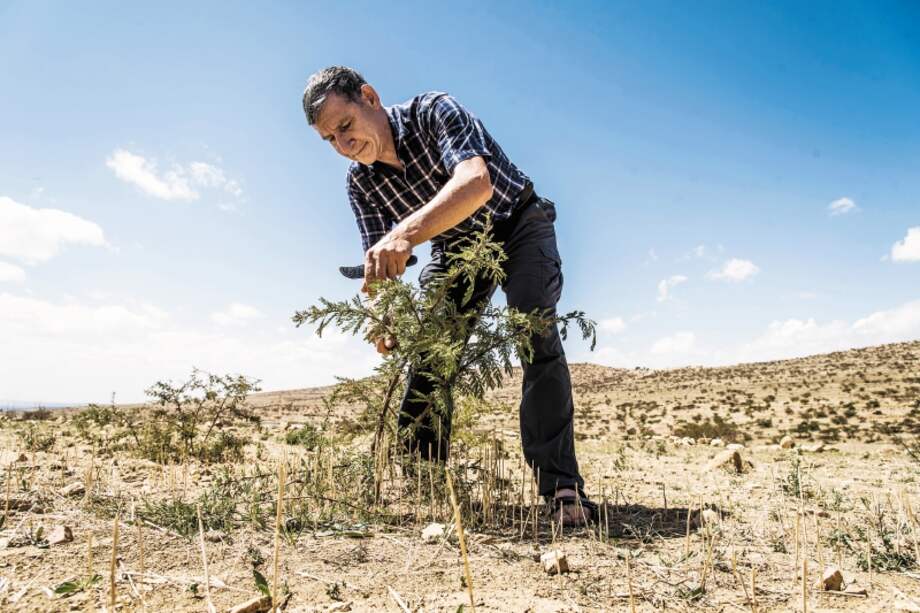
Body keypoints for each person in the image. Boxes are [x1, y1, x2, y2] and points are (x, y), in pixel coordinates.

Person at [302, 66, 595, 525]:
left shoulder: (433, 110)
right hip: (455, 249)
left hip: (517, 223)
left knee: (534, 336)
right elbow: (379, 262)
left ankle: (561, 487)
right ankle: (424, 479)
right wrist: (382, 314)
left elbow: (476, 184)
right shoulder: (361, 183)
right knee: (431, 350)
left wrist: (405, 233)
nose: (344, 145)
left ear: (370, 98)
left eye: (345, 126)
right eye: (330, 140)